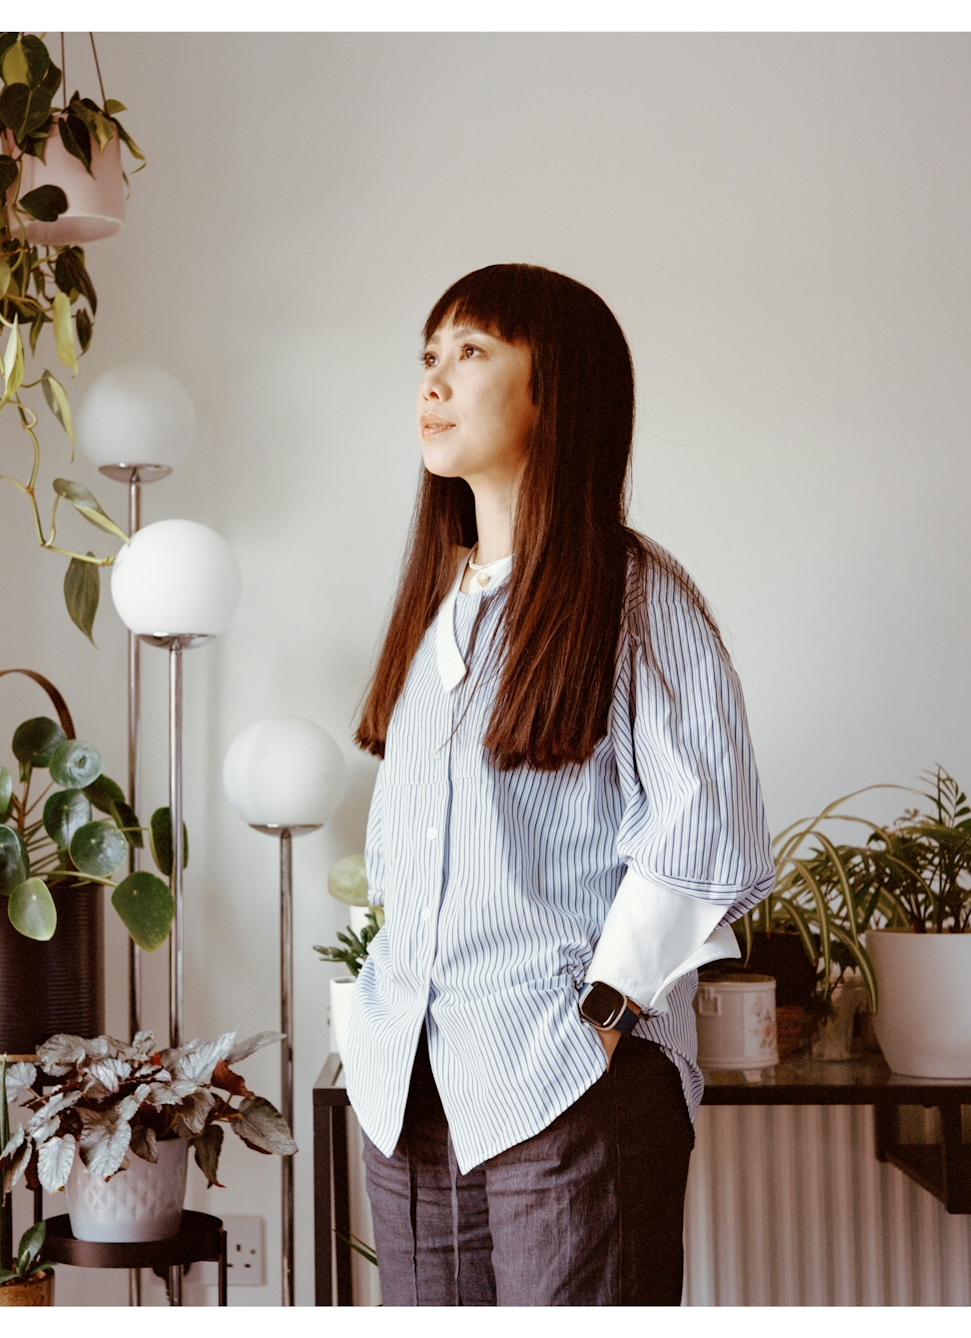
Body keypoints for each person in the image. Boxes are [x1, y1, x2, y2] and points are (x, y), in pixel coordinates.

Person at [344, 263, 774, 1306]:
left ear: (557, 390)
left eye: (473, 352)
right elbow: (404, 856)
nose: (434, 382)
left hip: (567, 1081)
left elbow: (708, 828)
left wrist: (601, 1012)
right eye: (429, 357)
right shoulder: (435, 615)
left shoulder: (636, 599)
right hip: (412, 1093)